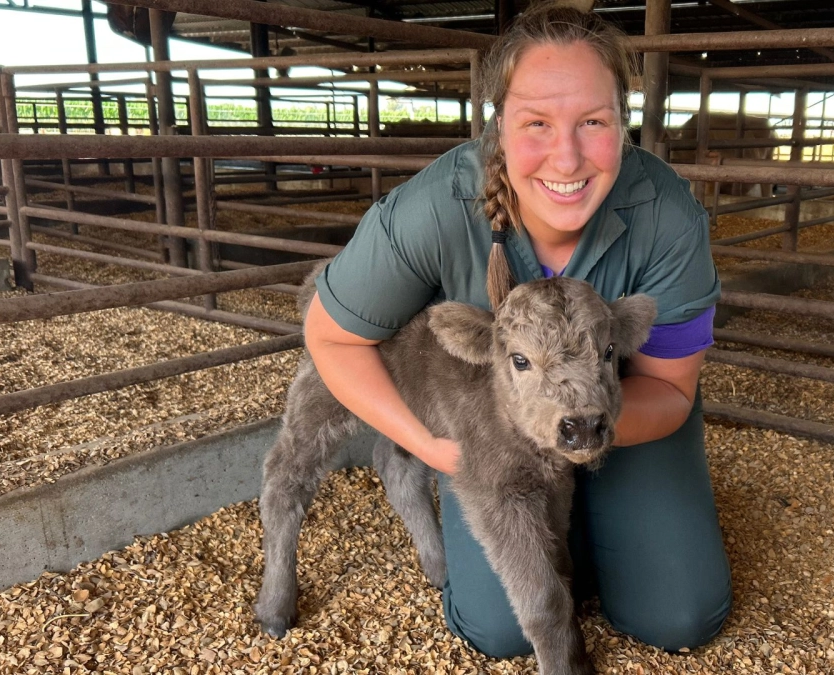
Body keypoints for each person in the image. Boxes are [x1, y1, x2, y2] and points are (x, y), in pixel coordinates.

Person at [304, 2, 731, 658]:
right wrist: (430, 444)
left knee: (680, 615)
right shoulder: (434, 208)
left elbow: (671, 390)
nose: (567, 155)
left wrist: (583, 431)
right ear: (498, 126)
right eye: (537, 123)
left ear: (624, 123)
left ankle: (597, 517)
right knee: (498, 629)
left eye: (594, 121)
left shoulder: (668, 216)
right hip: (494, 430)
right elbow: (331, 336)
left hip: (623, 410)